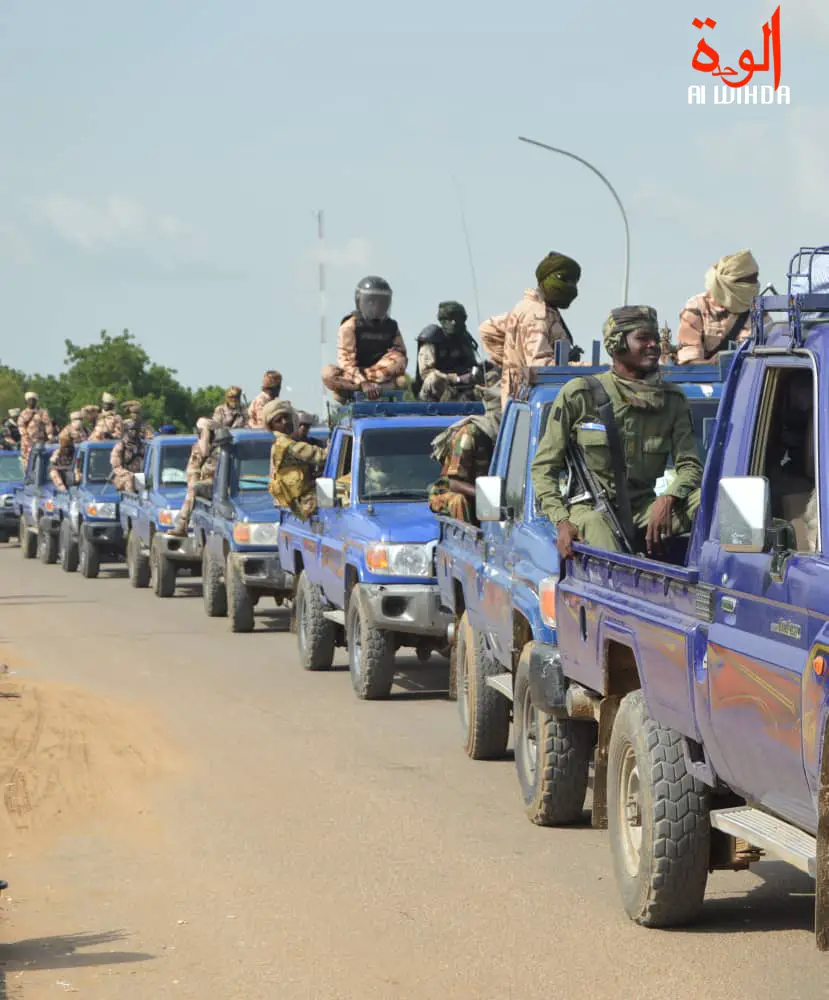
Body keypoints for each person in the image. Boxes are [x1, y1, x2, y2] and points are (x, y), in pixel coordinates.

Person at [531, 306, 703, 559]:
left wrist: (668, 498)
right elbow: (544, 467)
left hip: (645, 508)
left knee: (710, 502)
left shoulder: (672, 400)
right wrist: (561, 521)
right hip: (592, 510)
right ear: (617, 343)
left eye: (656, 338)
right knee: (604, 542)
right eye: (643, 338)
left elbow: (690, 465)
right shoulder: (581, 395)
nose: (654, 345)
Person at [479, 252, 582, 408]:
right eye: (567, 280)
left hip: (525, 403)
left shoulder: (528, 309)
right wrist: (595, 370)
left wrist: (514, 360)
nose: (573, 288)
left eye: (575, 282)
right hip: (531, 405)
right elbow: (541, 367)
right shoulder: (536, 314)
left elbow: (488, 329)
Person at [427, 378, 502, 523]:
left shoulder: (505, 435)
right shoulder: (470, 433)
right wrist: (485, 496)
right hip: (452, 493)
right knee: (458, 501)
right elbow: (453, 483)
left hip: (486, 497)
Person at [321, 276, 408, 402]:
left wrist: (373, 377)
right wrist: (362, 383)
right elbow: (346, 362)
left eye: (382, 302)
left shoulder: (391, 326)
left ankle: (351, 390)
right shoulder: (350, 326)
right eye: (372, 301)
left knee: (399, 360)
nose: (377, 306)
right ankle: (377, 388)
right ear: (360, 301)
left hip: (380, 371)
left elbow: (400, 355)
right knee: (328, 374)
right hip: (353, 375)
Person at [676, 249, 760, 364]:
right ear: (728, 283)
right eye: (748, 281)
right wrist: (714, 363)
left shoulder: (758, 310)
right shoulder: (697, 308)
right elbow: (689, 363)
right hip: (707, 380)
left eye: (755, 278)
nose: (754, 285)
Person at [264, 400, 327, 519]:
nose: (285, 422)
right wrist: (332, 446)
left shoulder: (281, 442)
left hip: (294, 502)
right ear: (272, 426)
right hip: (299, 505)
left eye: (286, 417)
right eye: (279, 420)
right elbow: (321, 456)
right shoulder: (287, 445)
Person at [413, 301, 480, 402]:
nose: (454, 323)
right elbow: (426, 373)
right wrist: (456, 378)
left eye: (458, 319)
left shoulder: (464, 339)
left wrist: (476, 373)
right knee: (433, 378)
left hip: (463, 389)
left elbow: (472, 365)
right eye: (450, 319)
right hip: (439, 389)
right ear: (442, 320)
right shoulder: (432, 338)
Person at [168, 418, 220, 537]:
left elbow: (206, 453)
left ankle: (182, 525)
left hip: (217, 483)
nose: (200, 434)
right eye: (200, 431)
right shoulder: (197, 447)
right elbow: (192, 469)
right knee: (193, 488)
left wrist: (206, 435)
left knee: (194, 489)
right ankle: (182, 524)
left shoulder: (219, 448)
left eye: (202, 431)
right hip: (203, 483)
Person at [48, 412, 86, 490]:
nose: (79, 421)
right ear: (72, 420)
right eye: (76, 419)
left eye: (80, 419)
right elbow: (62, 442)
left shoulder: (85, 430)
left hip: (83, 457)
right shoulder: (67, 430)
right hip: (65, 486)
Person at [18, 391, 55, 464]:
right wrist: (26, 436)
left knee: (39, 461)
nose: (31, 402)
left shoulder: (42, 412)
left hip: (40, 441)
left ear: (36, 401)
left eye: (33, 400)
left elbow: (48, 424)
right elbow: (20, 426)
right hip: (27, 442)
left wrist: (50, 436)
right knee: (27, 462)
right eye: (30, 400)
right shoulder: (23, 413)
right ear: (26, 401)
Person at [110, 420, 147, 493]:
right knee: (129, 478)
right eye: (131, 430)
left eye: (136, 430)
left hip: (141, 476)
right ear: (126, 431)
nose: (134, 432)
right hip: (124, 478)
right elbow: (116, 467)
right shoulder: (121, 446)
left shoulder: (143, 445)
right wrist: (129, 474)